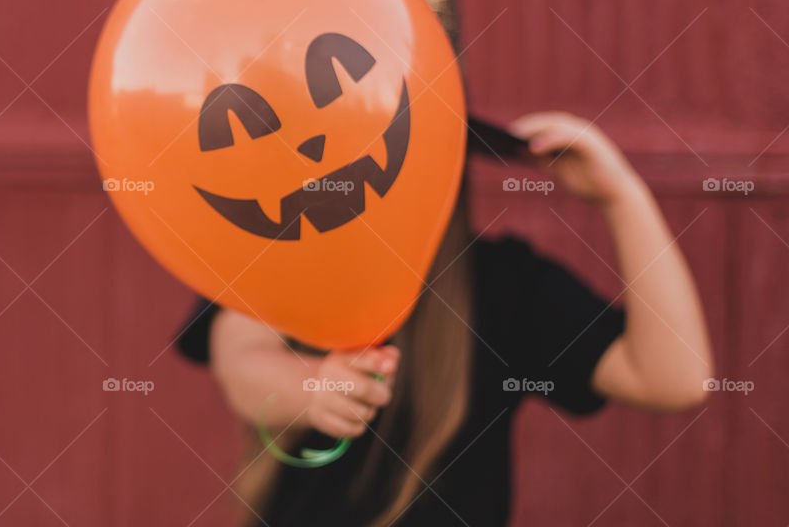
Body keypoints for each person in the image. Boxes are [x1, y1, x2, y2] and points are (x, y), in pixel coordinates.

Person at [177, 111, 714, 526]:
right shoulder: (282, 252)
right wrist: (312, 388)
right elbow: (241, 359)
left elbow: (675, 377)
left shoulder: (504, 284)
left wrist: (622, 197)